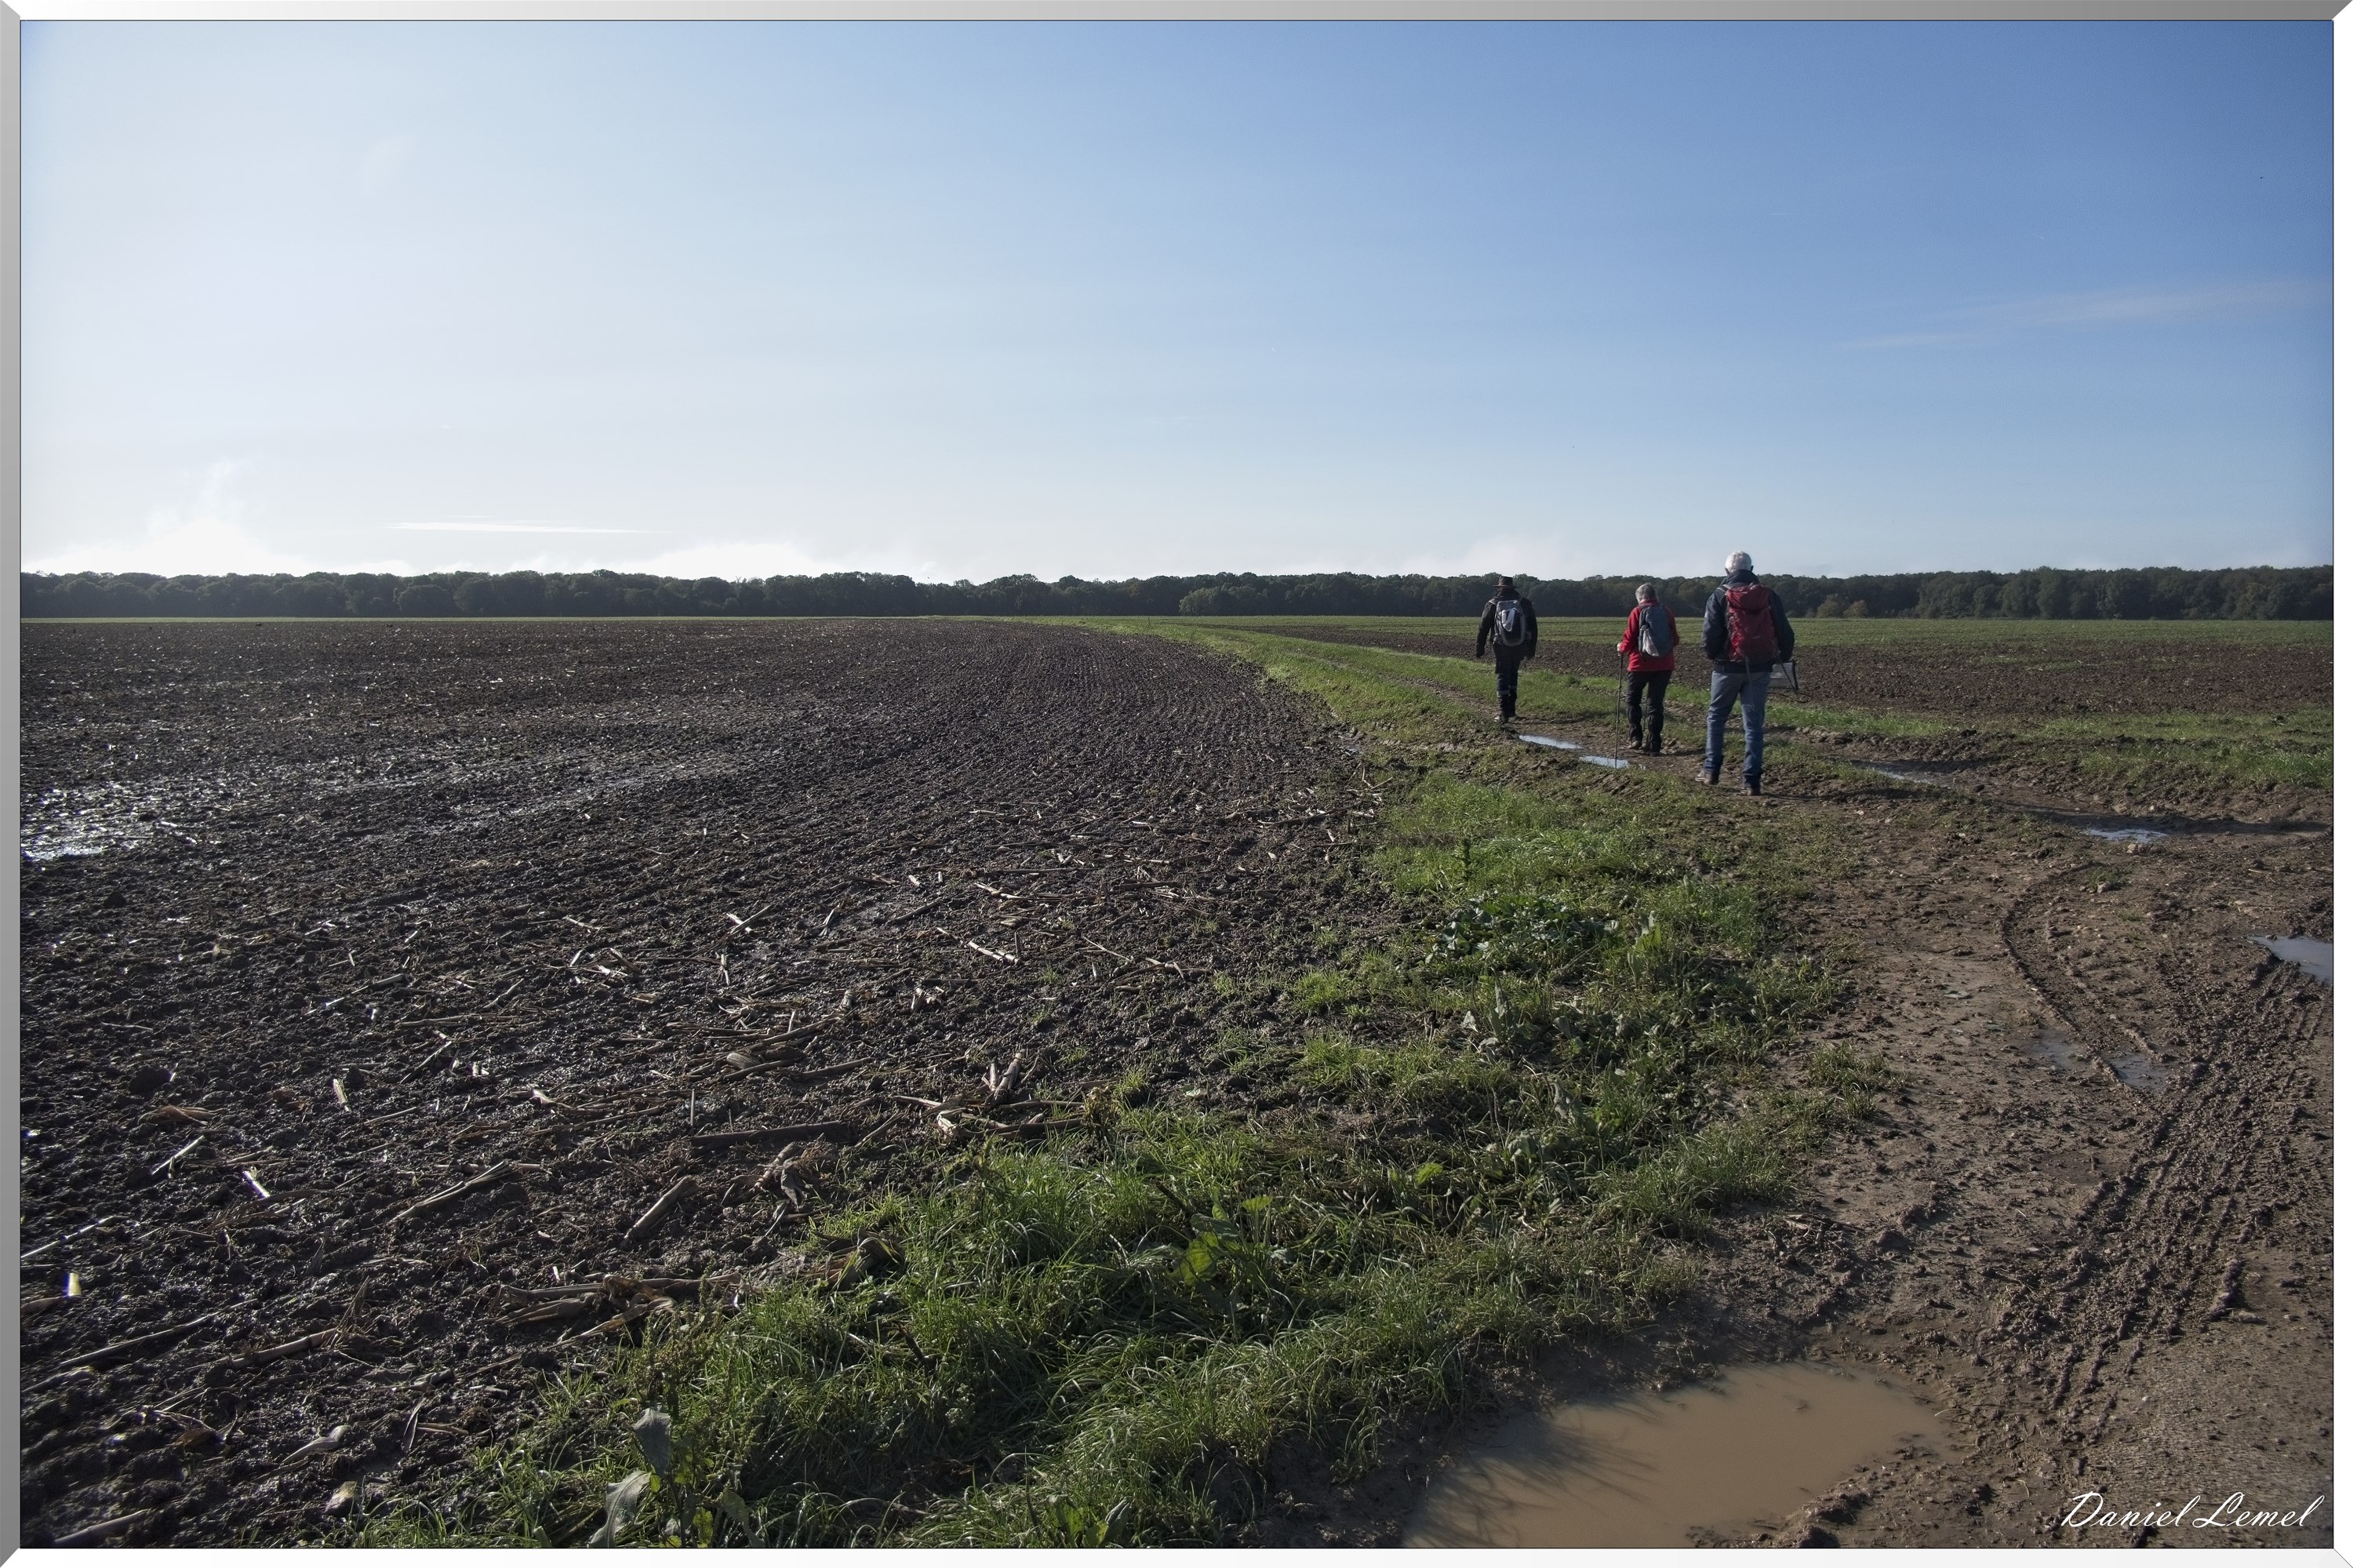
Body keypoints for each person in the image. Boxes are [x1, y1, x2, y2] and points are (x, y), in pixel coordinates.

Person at [1698, 551, 1795, 795]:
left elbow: (1709, 635)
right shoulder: (1768, 595)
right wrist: (1779, 659)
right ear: (1752, 568)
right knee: (1753, 725)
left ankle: (1711, 771)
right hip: (1760, 667)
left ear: (1726, 571)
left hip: (1726, 668)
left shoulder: (1719, 595)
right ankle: (1751, 781)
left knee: (1717, 717)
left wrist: (1715, 657)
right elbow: (1786, 632)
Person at [1617, 584, 1678, 754]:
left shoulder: (1637, 611)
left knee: (1633, 701)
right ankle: (1654, 744)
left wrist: (1621, 648)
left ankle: (1635, 737)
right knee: (1655, 705)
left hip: (1639, 664)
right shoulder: (1667, 612)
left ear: (1640, 597)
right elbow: (1675, 639)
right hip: (1665, 665)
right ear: (1655, 596)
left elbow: (1629, 639)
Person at [1474, 575, 1538, 725]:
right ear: (1512, 587)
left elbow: (1483, 627)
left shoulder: (1492, 603)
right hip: (1520, 645)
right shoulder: (1524, 603)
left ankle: (1503, 714)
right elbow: (1533, 627)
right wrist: (1531, 649)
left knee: (1502, 675)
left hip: (1500, 645)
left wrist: (1479, 648)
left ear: (1500, 588)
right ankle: (1512, 712)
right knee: (1513, 674)